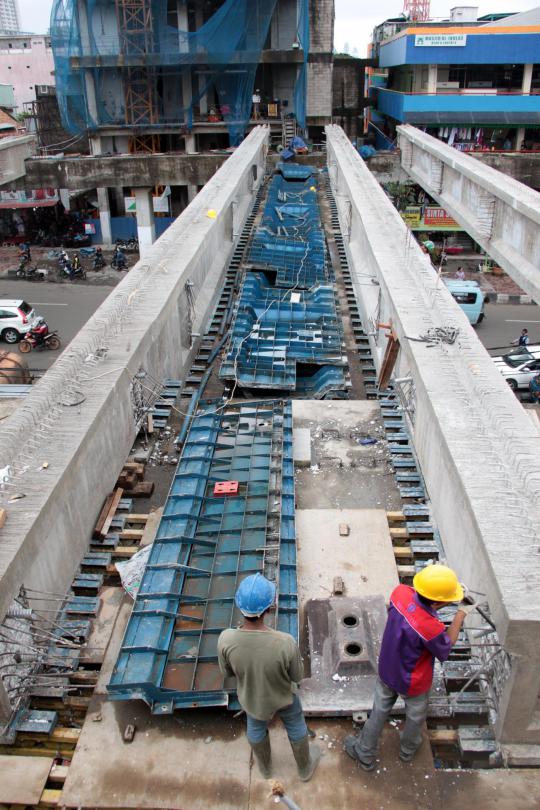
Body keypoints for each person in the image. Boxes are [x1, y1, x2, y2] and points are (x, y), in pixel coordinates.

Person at [344, 564, 478, 770]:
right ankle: (408, 750)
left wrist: (440, 597)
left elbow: (415, 607)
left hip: (388, 669)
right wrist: (460, 613)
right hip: (413, 681)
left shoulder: (400, 593)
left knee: (379, 711)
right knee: (415, 717)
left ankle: (365, 752)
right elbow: (446, 646)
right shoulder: (431, 627)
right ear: (437, 601)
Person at [217, 573, 321, 782]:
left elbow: (226, 673)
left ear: (239, 606)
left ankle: (265, 769)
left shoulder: (226, 639)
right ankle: (304, 768)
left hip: (253, 699)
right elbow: (297, 676)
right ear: (269, 608)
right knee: (295, 724)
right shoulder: (285, 642)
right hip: (283, 697)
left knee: (255, 728)